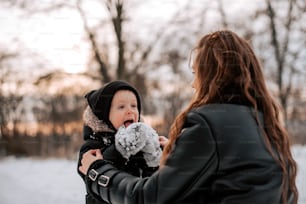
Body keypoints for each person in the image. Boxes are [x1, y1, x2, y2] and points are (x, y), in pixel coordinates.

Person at [79, 30, 298, 204]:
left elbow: (147, 198)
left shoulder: (209, 125)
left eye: (196, 74)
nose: (194, 84)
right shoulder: (265, 124)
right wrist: (176, 155)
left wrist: (97, 171)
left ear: (212, 76)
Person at [77, 80, 162, 204]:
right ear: (105, 115)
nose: (130, 111)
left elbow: (152, 180)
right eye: (121, 107)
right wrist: (121, 147)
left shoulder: (141, 142)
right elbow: (87, 169)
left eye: (134, 106)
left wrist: (155, 153)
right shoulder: (94, 144)